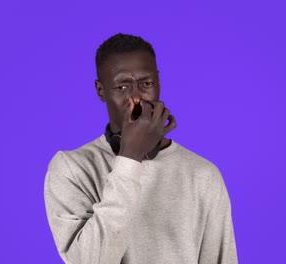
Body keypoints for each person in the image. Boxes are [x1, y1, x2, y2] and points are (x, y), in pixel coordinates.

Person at [44, 33, 238, 264]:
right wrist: (130, 157)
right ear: (101, 90)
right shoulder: (72, 169)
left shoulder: (203, 174)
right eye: (122, 86)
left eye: (146, 84)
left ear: (158, 84)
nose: (136, 97)